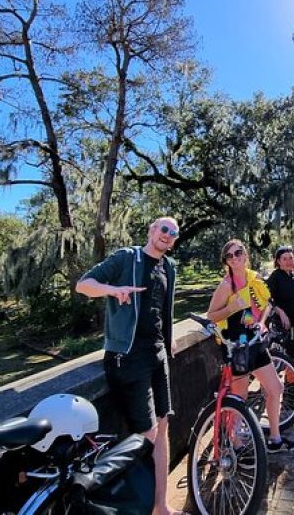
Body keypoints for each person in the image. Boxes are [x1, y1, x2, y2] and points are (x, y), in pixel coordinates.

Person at [75, 217, 186, 515]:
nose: (168, 235)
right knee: (146, 437)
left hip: (157, 354)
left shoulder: (169, 267)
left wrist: (170, 337)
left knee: (163, 428)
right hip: (128, 357)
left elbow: (166, 308)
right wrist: (113, 290)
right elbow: (84, 285)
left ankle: (161, 505)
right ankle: (131, 508)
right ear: (151, 231)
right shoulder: (128, 257)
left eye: (173, 233)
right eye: (164, 229)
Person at [205, 238, 294, 453]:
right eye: (229, 256)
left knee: (275, 388)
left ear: (245, 255)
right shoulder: (226, 285)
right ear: (226, 261)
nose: (235, 258)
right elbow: (211, 315)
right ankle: (236, 446)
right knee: (240, 398)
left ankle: (275, 439)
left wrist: (262, 322)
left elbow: (266, 304)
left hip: (255, 340)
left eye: (238, 253)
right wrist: (231, 307)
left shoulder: (253, 278)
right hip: (237, 345)